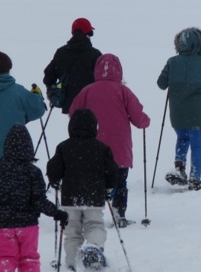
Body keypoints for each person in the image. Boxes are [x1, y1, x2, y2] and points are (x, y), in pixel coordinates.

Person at [69, 53, 150, 228]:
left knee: (92, 180)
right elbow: (137, 117)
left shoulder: (87, 90)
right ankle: (119, 212)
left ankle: (90, 213)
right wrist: (145, 121)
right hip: (119, 146)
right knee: (120, 181)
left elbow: (73, 112)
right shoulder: (123, 91)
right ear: (119, 71)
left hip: (93, 145)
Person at [157, 27, 201, 191]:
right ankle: (195, 179)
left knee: (182, 138)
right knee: (197, 145)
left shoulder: (172, 62)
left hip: (177, 112)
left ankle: (179, 168)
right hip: (198, 112)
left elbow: (161, 84)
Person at [47, 109, 119, 271]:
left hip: (70, 197)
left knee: (72, 230)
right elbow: (112, 172)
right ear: (94, 127)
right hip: (94, 196)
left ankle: (72, 263)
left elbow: (53, 169)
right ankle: (93, 247)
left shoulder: (64, 147)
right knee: (94, 224)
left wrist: (54, 180)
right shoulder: (102, 148)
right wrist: (108, 187)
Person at [0, 125, 68, 272]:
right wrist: (57, 213)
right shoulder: (33, 172)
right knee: (29, 259)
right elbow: (39, 200)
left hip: (2, 225)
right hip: (27, 225)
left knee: (4, 258)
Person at [43, 18, 102, 114]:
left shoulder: (61, 53)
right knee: (89, 128)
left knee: (75, 128)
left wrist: (55, 89)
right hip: (91, 104)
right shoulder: (95, 54)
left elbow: (48, 76)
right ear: (89, 33)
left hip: (69, 104)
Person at [0, 51, 47, 158]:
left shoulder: (18, 92)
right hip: (12, 154)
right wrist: (37, 96)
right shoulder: (19, 92)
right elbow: (38, 110)